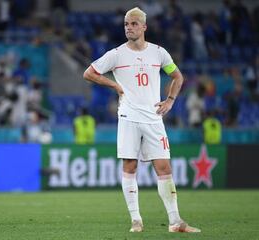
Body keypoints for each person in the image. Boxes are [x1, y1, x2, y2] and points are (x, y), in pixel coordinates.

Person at [83, 7, 200, 233]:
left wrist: (170, 100)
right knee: (129, 165)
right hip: (128, 117)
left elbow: (177, 76)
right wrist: (114, 85)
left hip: (154, 119)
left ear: (144, 27)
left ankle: (175, 221)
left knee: (164, 167)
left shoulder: (159, 53)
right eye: (127, 24)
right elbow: (89, 73)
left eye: (134, 23)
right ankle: (136, 221)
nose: (129, 27)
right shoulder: (116, 54)